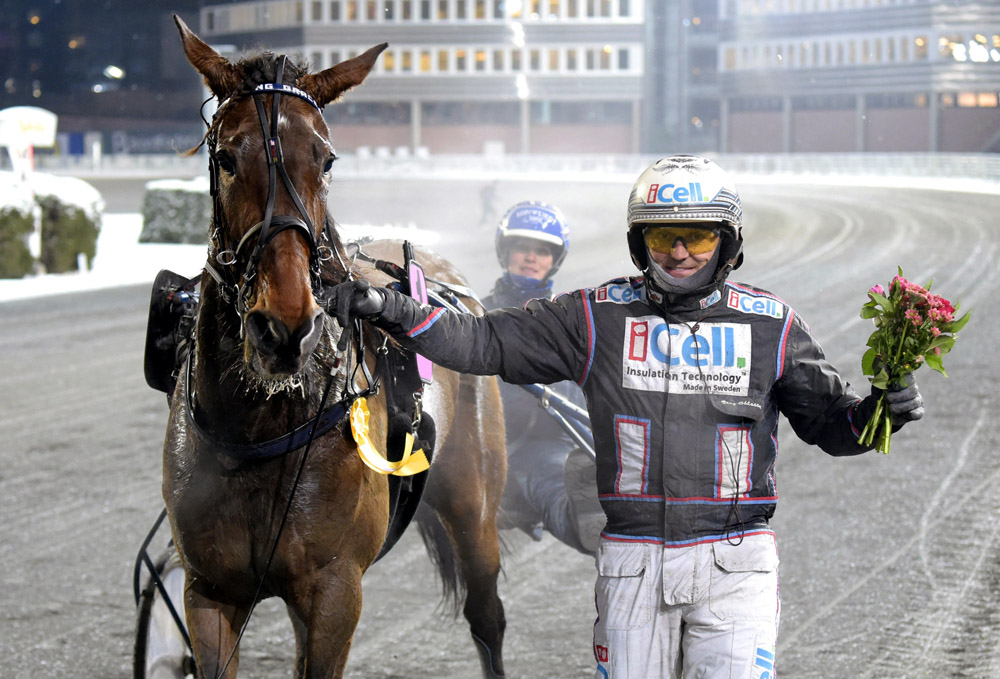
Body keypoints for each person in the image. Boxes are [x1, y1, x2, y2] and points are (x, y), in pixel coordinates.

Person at [326, 155, 926, 679]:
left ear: (729, 241)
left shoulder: (773, 325)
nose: (681, 252)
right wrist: (389, 306)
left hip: (737, 563)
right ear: (642, 244)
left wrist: (878, 415)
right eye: (664, 238)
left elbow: (829, 425)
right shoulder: (594, 317)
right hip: (632, 561)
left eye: (699, 237)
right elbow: (480, 342)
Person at [484, 200, 602, 556]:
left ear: (555, 260)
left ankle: (596, 531)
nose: (531, 257)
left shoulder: (574, 319)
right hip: (485, 444)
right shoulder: (475, 313)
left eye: (542, 251)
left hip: (548, 446)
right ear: (506, 252)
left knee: (557, 486)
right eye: (523, 248)